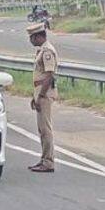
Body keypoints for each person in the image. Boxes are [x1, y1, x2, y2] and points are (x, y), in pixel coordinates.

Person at [26, 22, 59, 173]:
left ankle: (48, 161)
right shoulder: (42, 50)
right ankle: (44, 159)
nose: (31, 41)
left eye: (32, 38)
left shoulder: (47, 51)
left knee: (46, 129)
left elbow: (49, 75)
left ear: (39, 36)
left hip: (44, 93)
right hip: (40, 92)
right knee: (41, 129)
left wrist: (40, 96)